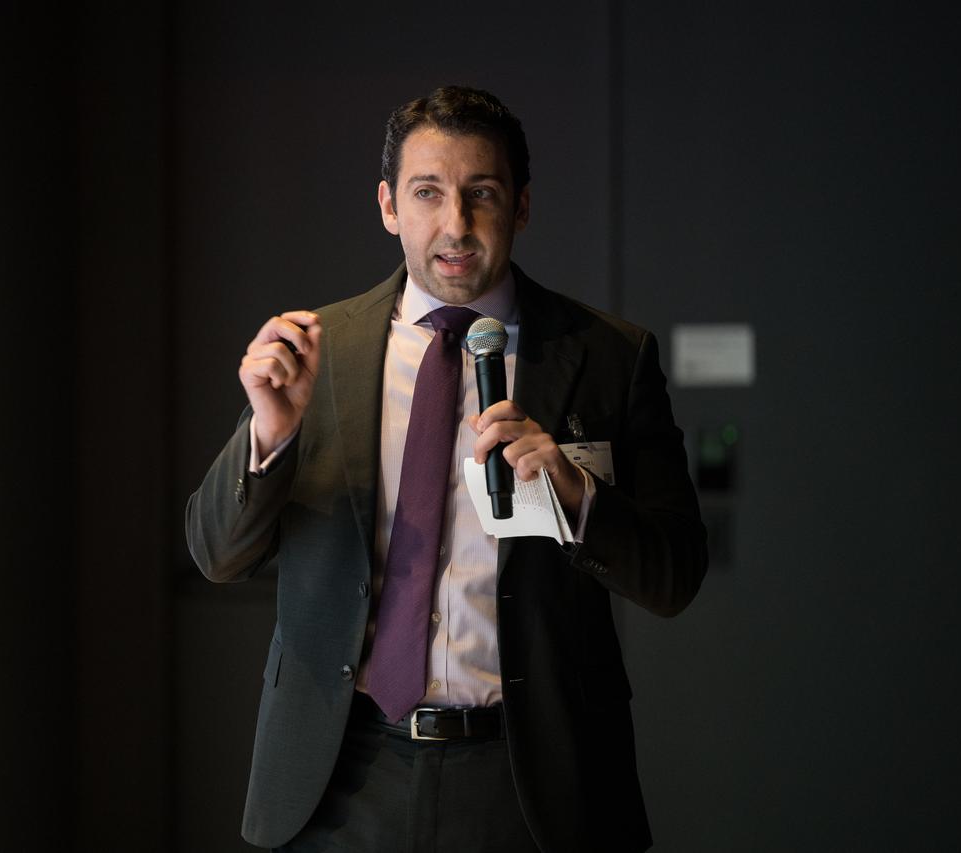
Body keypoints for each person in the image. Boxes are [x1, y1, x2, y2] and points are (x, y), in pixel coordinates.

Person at [186, 85, 707, 853]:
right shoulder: (319, 350)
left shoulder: (607, 358)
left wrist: (578, 496)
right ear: (389, 205)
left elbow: (674, 574)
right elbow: (216, 553)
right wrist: (270, 432)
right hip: (340, 775)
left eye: (482, 194)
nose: (455, 225)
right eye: (427, 193)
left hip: (531, 781)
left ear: (522, 206)